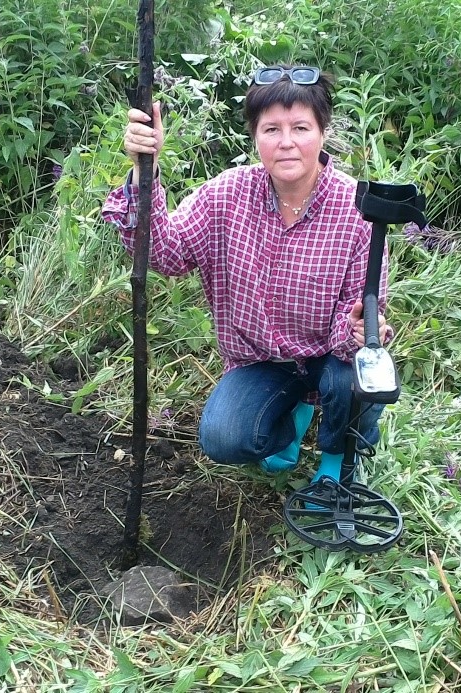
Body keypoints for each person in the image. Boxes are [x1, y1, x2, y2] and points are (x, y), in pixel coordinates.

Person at [101, 64, 391, 486]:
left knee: (355, 376)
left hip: (330, 354)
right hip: (260, 359)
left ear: (322, 132)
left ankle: (336, 457)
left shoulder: (359, 209)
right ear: (255, 137)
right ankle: (289, 422)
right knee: (225, 438)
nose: (287, 143)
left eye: (301, 128)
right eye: (271, 129)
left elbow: (359, 315)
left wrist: (362, 330)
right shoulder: (227, 194)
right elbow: (165, 254)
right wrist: (145, 169)